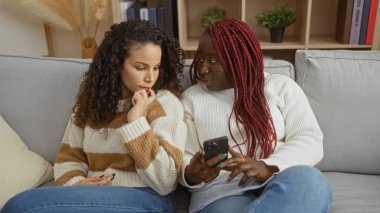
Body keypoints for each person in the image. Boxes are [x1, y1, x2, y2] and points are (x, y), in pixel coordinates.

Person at [2, 19, 187, 213]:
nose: (150, 77)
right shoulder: (92, 105)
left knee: (21, 206)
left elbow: (165, 181)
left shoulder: (165, 103)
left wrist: (136, 121)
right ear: (117, 64)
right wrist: (77, 184)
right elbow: (68, 159)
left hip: (147, 198)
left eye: (156, 67)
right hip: (92, 199)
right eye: (141, 67)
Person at [180, 18, 332, 213]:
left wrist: (268, 166)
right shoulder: (191, 99)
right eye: (199, 59)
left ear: (239, 59)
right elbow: (183, 156)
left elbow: (309, 139)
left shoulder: (280, 86)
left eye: (213, 60)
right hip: (221, 191)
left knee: (312, 182)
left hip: (279, 178)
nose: (202, 69)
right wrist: (192, 173)